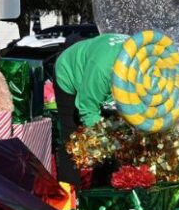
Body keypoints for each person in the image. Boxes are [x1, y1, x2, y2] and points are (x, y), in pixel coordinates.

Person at [54, 33, 129, 184]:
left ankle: (103, 194)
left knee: (118, 138)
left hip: (99, 71)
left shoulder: (145, 63)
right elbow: (88, 110)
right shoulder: (102, 69)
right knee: (72, 140)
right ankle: (70, 198)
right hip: (69, 71)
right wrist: (106, 141)